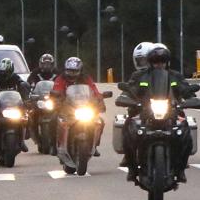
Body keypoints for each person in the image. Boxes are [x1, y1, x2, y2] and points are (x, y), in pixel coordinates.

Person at [122, 44, 194, 183]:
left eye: (162, 61)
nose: (159, 64)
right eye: (155, 62)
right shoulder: (140, 76)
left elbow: (185, 89)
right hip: (145, 112)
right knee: (128, 128)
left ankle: (180, 169)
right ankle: (131, 168)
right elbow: (130, 89)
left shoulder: (174, 76)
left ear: (167, 62)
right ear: (150, 62)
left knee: (186, 132)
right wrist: (126, 98)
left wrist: (191, 98)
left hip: (171, 112)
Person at [52, 57, 105, 157]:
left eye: (75, 71)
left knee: (100, 121)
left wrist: (100, 101)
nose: (72, 74)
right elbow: (56, 90)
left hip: (84, 106)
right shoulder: (61, 78)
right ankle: (53, 145)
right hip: (67, 107)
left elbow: (94, 90)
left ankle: (95, 145)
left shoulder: (86, 78)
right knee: (54, 118)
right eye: (69, 71)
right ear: (65, 70)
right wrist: (57, 100)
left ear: (80, 71)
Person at [119, 42, 153, 167]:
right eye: (140, 60)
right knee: (128, 123)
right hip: (141, 109)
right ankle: (128, 155)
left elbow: (177, 89)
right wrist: (125, 97)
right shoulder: (137, 75)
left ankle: (182, 153)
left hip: (163, 108)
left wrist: (184, 97)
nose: (143, 63)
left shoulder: (166, 74)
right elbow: (129, 88)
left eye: (146, 60)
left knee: (181, 121)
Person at [0, 58, 30, 151]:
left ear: (10, 71)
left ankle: (23, 140)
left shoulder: (16, 78)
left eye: (5, 72)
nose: (3, 74)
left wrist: (26, 100)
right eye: (1, 72)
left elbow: (23, 84)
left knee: (28, 116)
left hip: (15, 105)